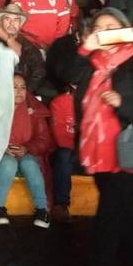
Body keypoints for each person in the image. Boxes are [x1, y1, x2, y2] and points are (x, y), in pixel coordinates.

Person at [71, 8, 133, 266]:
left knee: (108, 219)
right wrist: (84, 50)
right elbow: (64, 75)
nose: (104, 31)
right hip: (98, 153)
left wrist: (123, 103)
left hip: (131, 154)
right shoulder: (90, 63)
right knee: (124, 217)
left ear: (124, 30)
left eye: (110, 26)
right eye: (99, 27)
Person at [0, 73, 53, 229]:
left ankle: (42, 210)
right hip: (3, 154)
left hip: (27, 152)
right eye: (14, 87)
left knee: (30, 165)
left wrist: (27, 148)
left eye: (23, 87)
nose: (19, 91)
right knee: (8, 165)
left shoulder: (34, 112)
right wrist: (2, 148)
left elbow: (44, 140)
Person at [0, 4, 54, 100]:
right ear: (1, 22)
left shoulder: (29, 48)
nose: (12, 23)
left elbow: (39, 73)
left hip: (25, 94)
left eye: (16, 20)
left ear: (20, 24)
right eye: (7, 19)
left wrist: (22, 93)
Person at [49, 83, 77, 223]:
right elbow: (61, 138)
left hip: (92, 150)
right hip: (70, 150)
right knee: (64, 155)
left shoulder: (97, 99)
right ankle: (61, 205)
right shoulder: (59, 102)